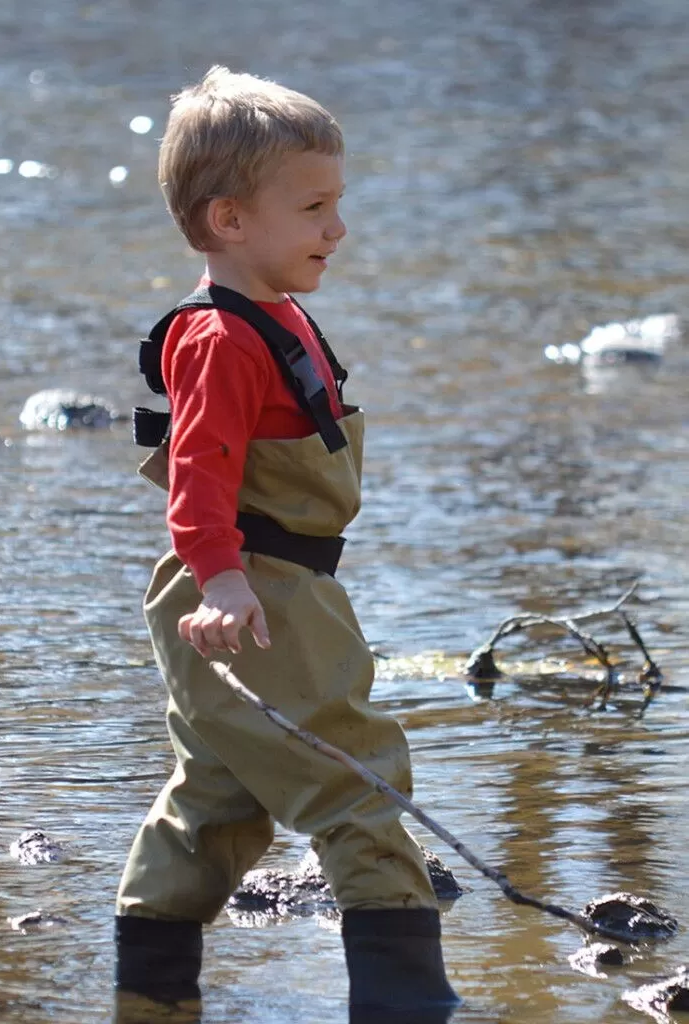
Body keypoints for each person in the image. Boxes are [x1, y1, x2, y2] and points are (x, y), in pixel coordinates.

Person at [114, 65, 460, 1023]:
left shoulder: (273, 309)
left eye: (335, 204)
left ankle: (148, 987)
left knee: (221, 795)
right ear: (230, 220)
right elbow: (200, 473)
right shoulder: (221, 337)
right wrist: (223, 581)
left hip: (252, 585)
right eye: (313, 208)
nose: (335, 230)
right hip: (254, 587)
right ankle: (408, 1001)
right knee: (354, 778)